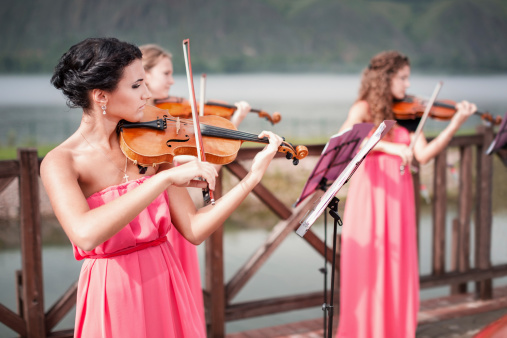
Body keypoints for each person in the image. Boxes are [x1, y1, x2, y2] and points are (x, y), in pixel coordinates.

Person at [41, 37, 283, 337]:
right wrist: (162, 179)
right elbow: (85, 234)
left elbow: (194, 230)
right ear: (101, 96)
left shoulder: (152, 145)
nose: (147, 93)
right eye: (136, 85)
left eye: (145, 82)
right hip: (114, 291)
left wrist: (252, 179)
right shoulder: (61, 162)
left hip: (166, 278)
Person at [336, 50, 476, 338]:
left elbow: (423, 154)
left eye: (408, 78)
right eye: (402, 78)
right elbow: (344, 140)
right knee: (366, 265)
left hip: (399, 198)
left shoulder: (409, 113)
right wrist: (391, 147)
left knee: (397, 265)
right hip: (369, 197)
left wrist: (454, 124)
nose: (407, 85)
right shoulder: (364, 108)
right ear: (384, 78)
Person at [139, 43, 252, 328]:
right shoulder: (141, 126)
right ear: (145, 74)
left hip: (177, 215)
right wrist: (231, 128)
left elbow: (204, 167)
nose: (172, 80)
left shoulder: (166, 119)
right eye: (165, 72)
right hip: (156, 223)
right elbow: (206, 167)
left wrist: (232, 124)